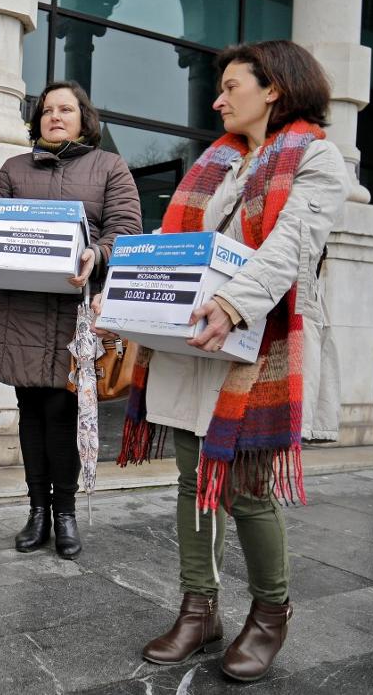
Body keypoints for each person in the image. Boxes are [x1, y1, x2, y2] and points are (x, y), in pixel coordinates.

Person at [109, 40, 346, 682]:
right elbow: (176, 242)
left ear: (272, 88)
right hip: (194, 342)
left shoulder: (318, 160)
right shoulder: (216, 164)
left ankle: (271, 614)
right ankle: (199, 609)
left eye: (231, 85)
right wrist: (125, 281)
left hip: (254, 344)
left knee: (244, 488)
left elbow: (289, 246)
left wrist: (236, 305)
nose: (218, 98)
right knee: (193, 480)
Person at [0, 81, 141, 558]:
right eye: (47, 111)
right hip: (20, 311)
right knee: (31, 411)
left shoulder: (109, 167)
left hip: (75, 314)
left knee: (62, 414)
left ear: (84, 117)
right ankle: (36, 512)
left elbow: (126, 230)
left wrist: (97, 253)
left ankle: (63, 513)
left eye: (65, 109)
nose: (55, 117)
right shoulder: (13, 168)